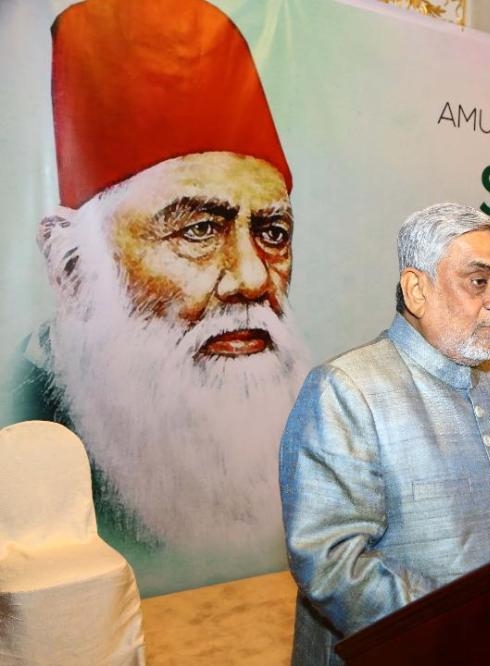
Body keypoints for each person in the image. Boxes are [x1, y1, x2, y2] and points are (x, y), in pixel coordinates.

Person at [5, 0, 310, 591]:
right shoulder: (17, 443)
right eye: (198, 230)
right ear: (71, 267)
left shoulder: (320, 423)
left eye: (272, 233)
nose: (252, 278)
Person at [279, 203, 490, 663]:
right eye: (479, 281)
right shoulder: (347, 390)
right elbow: (331, 563)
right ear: (417, 290)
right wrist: (465, 624)